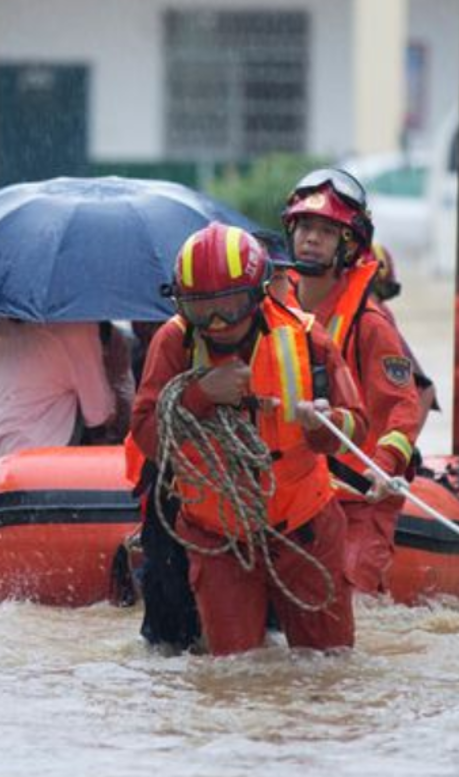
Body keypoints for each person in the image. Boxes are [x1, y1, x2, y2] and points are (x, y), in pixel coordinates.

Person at [130, 222, 367, 656]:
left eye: (231, 305)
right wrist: (200, 394)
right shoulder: (174, 342)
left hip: (305, 530)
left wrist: (325, 426)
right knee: (235, 673)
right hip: (218, 538)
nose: (218, 323)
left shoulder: (309, 340)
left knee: (330, 666)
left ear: (258, 294)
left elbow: (357, 427)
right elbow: (147, 433)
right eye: (203, 310)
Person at [280, 169, 436, 596]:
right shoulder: (273, 308)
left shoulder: (370, 323)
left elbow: (403, 408)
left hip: (361, 497)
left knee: (350, 601)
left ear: (348, 245)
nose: (311, 238)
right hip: (295, 493)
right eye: (305, 227)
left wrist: (383, 469)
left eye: (326, 232)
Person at [0, 317, 125, 471]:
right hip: (36, 468)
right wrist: (115, 375)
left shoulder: (0, 327)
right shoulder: (78, 328)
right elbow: (100, 415)